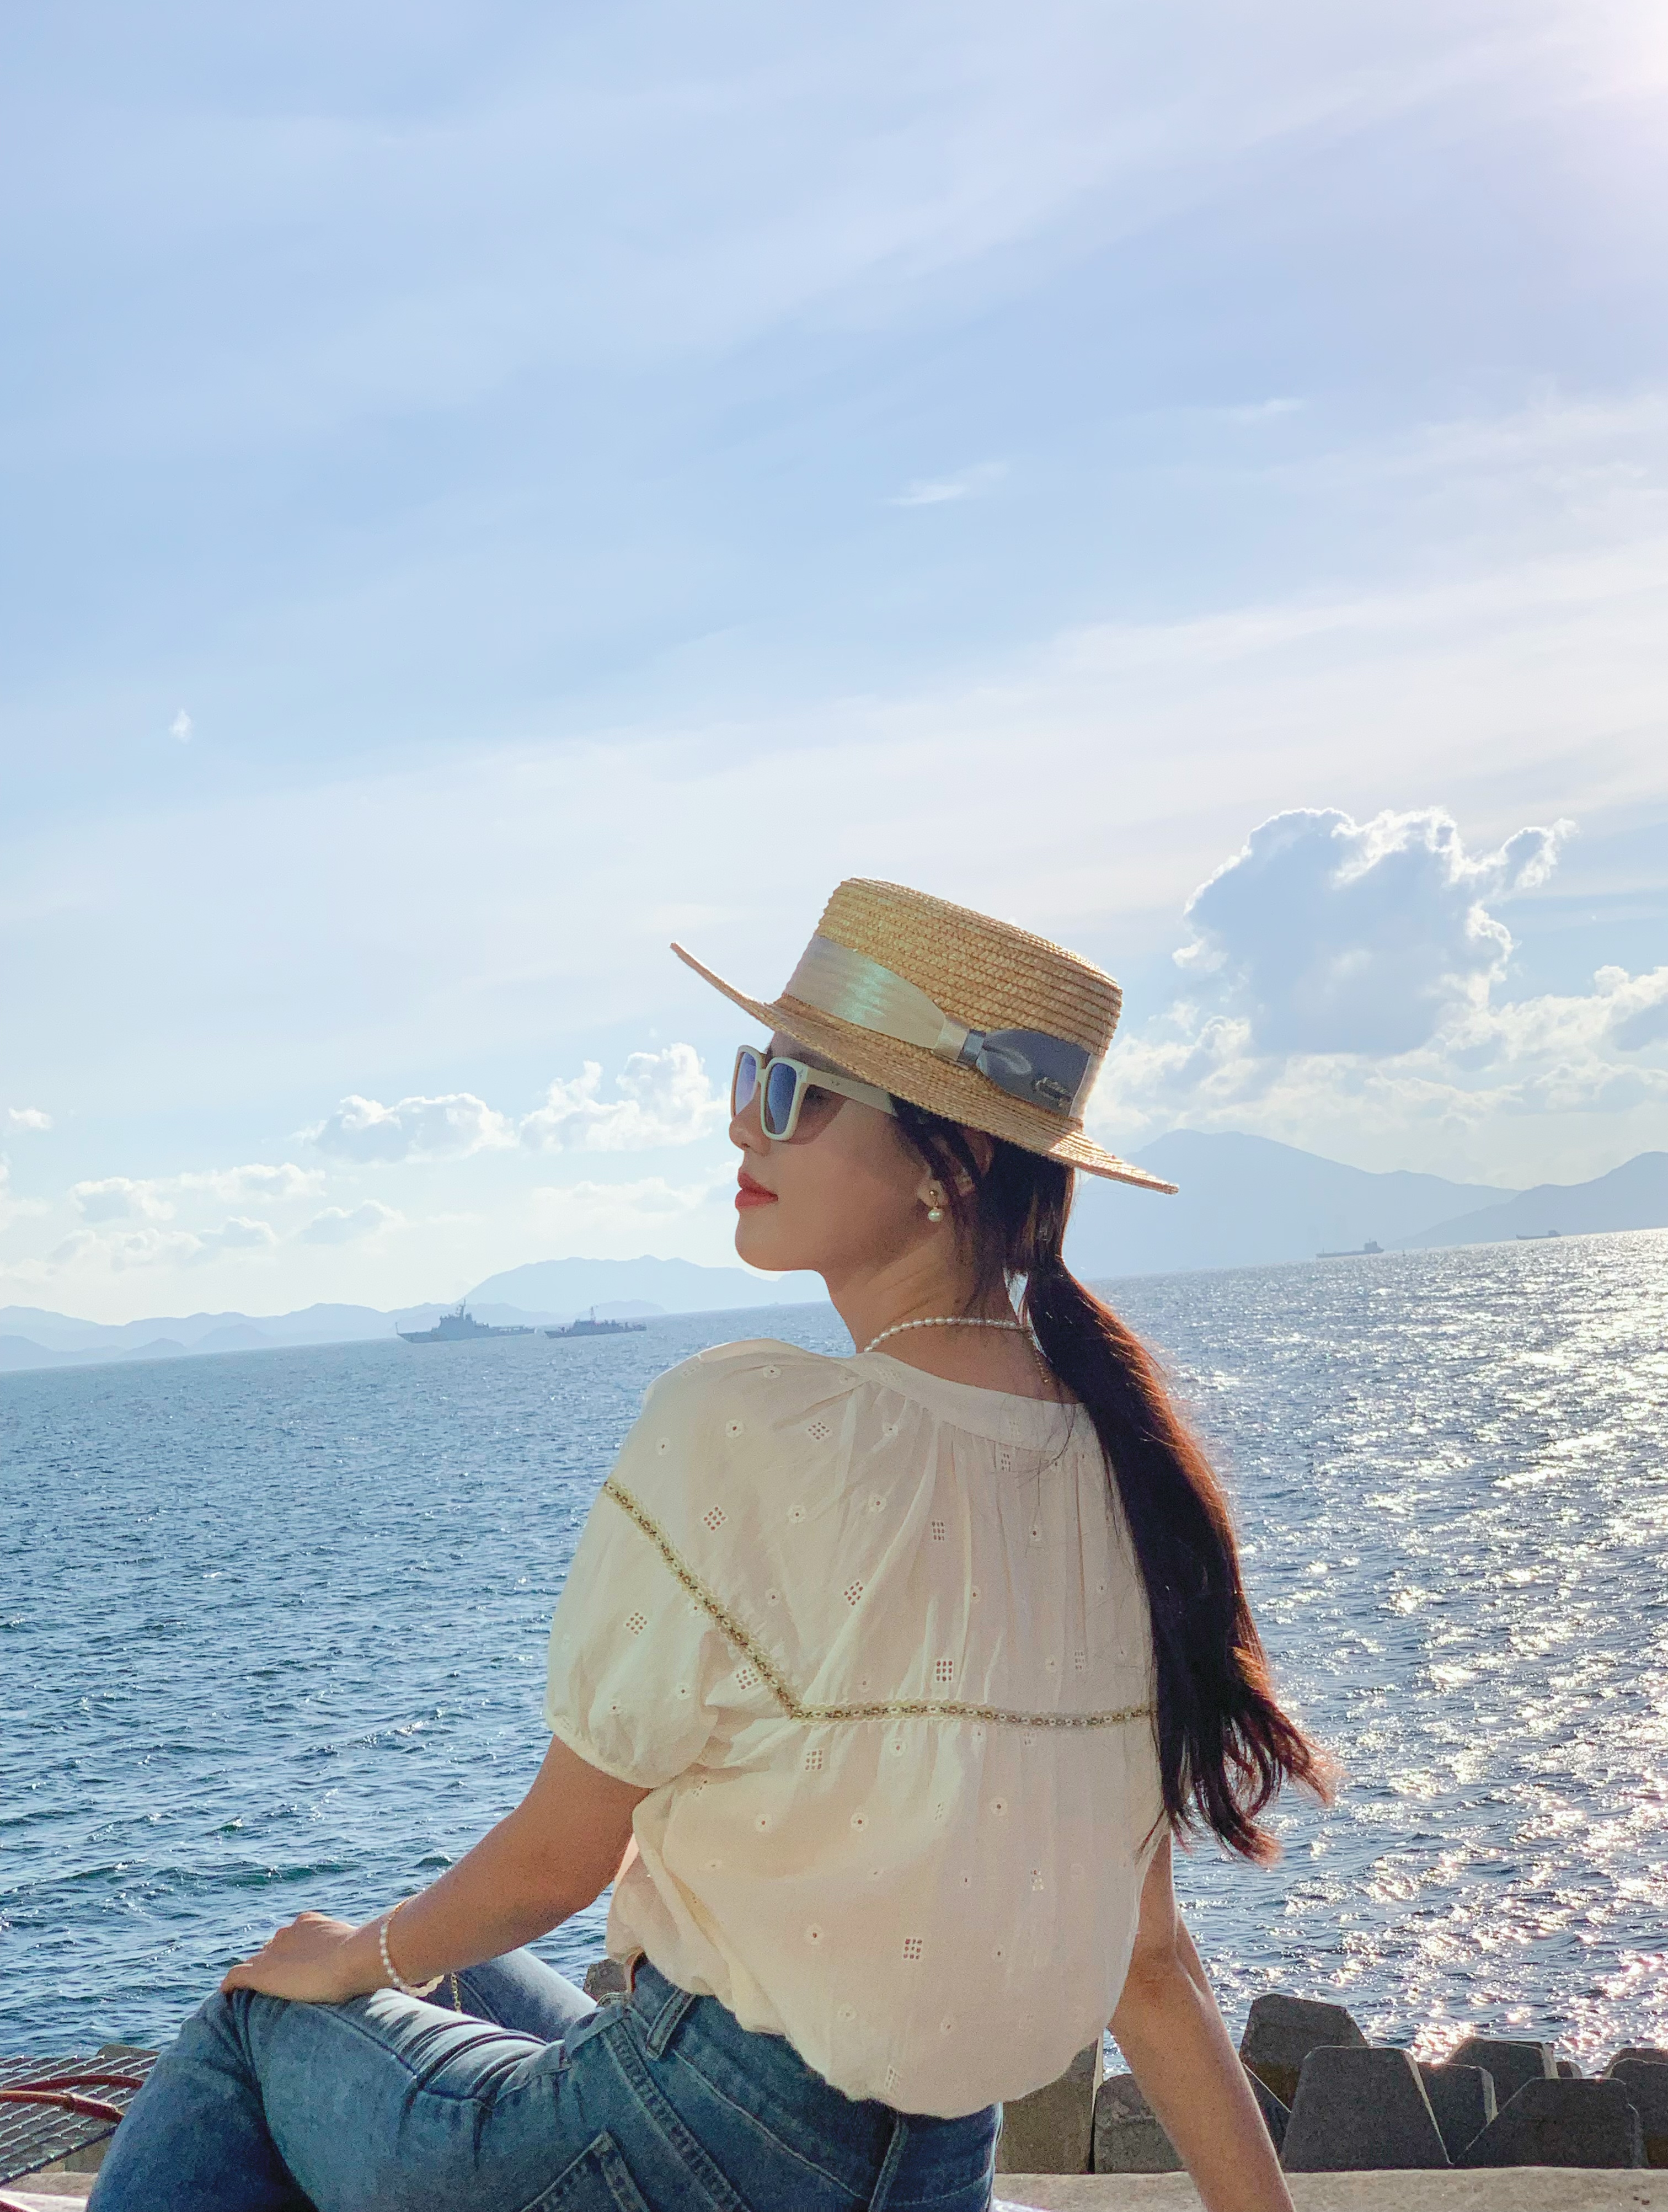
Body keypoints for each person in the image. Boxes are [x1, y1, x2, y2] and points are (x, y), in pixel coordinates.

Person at [92, 879, 1329, 2212]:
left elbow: (557, 1862)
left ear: (952, 1164)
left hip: (685, 2154)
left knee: (257, 2021)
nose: (744, 1120)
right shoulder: (1127, 1470)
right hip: (929, 2175)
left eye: (798, 1092)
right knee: (458, 1972)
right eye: (754, 1074)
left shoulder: (756, 1418)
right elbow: (1149, 1961)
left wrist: (347, 1960)